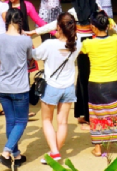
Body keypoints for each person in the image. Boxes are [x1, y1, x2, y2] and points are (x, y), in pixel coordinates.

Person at [31, 0, 101, 130]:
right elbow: (57, 23)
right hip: (82, 49)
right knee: (84, 80)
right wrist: (36, 31)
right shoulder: (80, 10)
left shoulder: (95, 8)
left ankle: (90, 116)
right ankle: (85, 115)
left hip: (88, 49)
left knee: (87, 80)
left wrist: (34, 32)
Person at [81, 10, 117, 159]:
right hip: (113, 83)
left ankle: (98, 148)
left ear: (93, 27)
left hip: (95, 83)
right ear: (107, 25)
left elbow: (77, 49)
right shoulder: (114, 40)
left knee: (96, 115)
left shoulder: (88, 43)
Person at [32, 13, 81, 165]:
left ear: (58, 26)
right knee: (63, 122)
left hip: (52, 87)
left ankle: (54, 152)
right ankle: (55, 152)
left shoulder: (49, 44)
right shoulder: (77, 43)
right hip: (68, 87)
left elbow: (34, 55)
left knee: (47, 120)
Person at [0, 8, 34, 167]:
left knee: (10, 120)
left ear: (6, 20)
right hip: (20, 87)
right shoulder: (25, 40)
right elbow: (30, 58)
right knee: (21, 121)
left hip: (3, 86)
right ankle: (7, 152)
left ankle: (16, 155)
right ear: (20, 21)